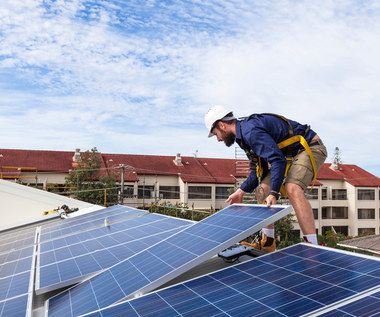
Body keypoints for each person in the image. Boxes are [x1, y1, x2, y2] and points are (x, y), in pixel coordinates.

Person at [205, 105, 327, 252]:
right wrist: (241, 191)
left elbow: (277, 160)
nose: (218, 139)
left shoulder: (250, 131)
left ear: (222, 125)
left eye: (216, 134)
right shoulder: (242, 137)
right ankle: (268, 242)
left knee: (292, 188)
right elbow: (259, 170)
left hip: (310, 147)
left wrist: (274, 193)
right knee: (263, 188)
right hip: (288, 155)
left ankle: (312, 247)